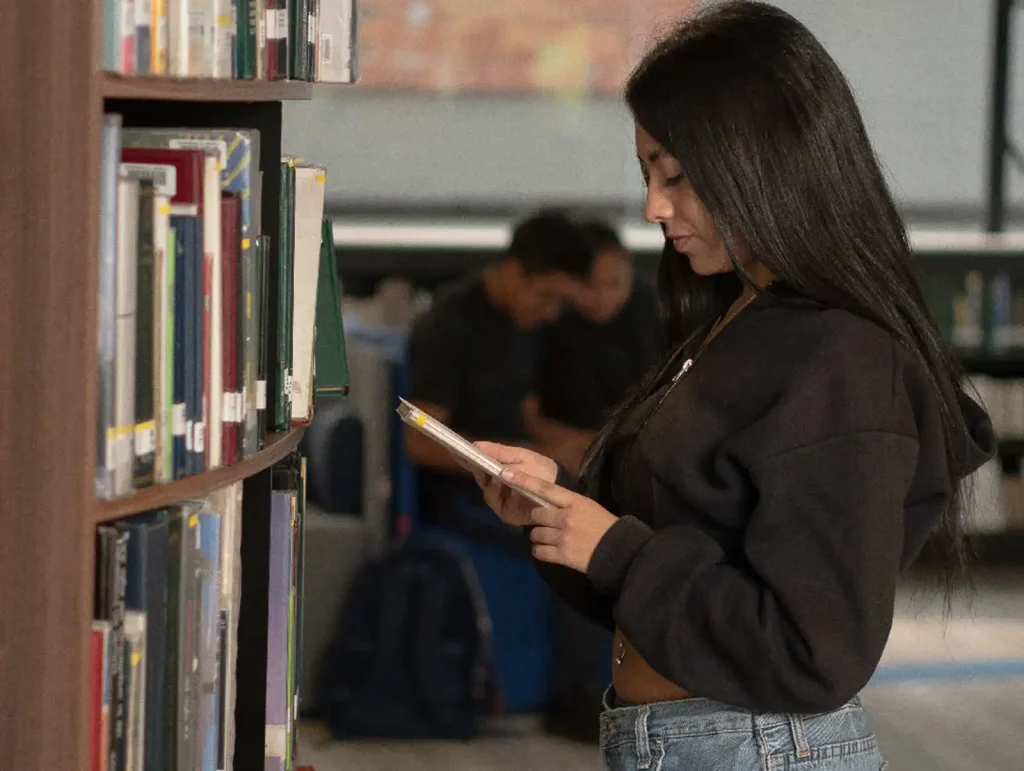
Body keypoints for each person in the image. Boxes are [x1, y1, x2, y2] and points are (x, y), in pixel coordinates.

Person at [471, 2, 995, 768]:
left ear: (763, 161)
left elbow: (814, 652)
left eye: (676, 175)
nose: (654, 207)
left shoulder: (843, 359)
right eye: (648, 171)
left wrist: (616, 550)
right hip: (683, 742)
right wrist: (561, 512)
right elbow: (675, 561)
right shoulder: (733, 319)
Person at [404, 208, 593, 713]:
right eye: (547, 296)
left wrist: (576, 442)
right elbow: (421, 441)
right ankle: (568, 698)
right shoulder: (451, 323)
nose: (552, 313)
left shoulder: (522, 325)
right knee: (575, 544)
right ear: (514, 271)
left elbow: (527, 414)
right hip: (466, 495)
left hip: (517, 473)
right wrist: (515, 461)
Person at [532, 220, 662, 475]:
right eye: (589, 285)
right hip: (562, 454)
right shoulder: (546, 317)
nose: (603, 298)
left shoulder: (655, 312)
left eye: (615, 284)